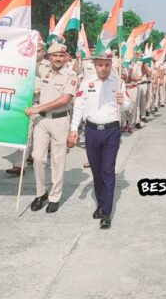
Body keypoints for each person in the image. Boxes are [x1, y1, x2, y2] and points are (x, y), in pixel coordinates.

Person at [68, 50, 131, 229]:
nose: (103, 68)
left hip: (111, 131)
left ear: (111, 65)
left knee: (108, 171)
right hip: (92, 131)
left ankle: (106, 212)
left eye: (107, 65)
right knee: (96, 171)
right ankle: (101, 203)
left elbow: (127, 106)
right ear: (95, 65)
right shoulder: (86, 82)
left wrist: (123, 101)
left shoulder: (118, 83)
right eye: (100, 65)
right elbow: (79, 107)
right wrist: (74, 129)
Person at [24, 43, 76, 213]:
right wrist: (32, 42)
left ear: (66, 57)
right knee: (37, 158)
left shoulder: (70, 74)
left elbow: (65, 99)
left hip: (60, 121)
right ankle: (41, 193)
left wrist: (39, 108)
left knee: (57, 160)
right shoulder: (44, 71)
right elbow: (29, 62)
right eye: (55, 55)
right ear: (49, 57)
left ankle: (55, 196)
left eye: (62, 55)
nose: (58, 59)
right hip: (42, 121)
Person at [6, 34, 52, 175]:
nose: (36, 53)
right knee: (25, 133)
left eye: (38, 51)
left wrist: (40, 89)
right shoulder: (24, 64)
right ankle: (19, 165)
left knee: (39, 137)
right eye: (34, 50)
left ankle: (33, 156)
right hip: (27, 104)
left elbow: (52, 84)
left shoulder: (49, 66)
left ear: (43, 52)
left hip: (42, 105)